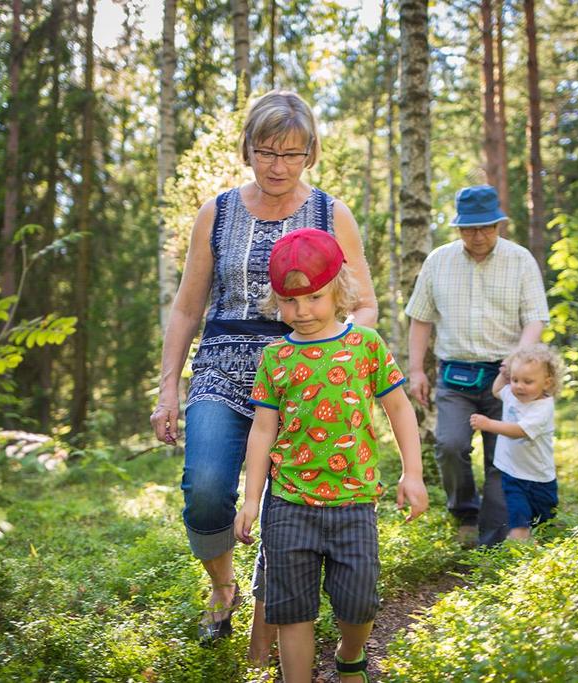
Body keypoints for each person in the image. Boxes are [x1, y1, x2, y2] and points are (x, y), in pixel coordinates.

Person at [149, 90, 377, 660]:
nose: (278, 165)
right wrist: (168, 388)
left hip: (303, 375)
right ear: (247, 148)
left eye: (292, 154)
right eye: (266, 151)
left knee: (287, 507)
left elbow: (365, 304)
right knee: (205, 491)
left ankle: (274, 611)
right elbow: (186, 307)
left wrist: (337, 354)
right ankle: (222, 584)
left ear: (311, 154)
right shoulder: (217, 212)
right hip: (222, 368)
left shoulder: (330, 213)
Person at [234, 229, 428, 683]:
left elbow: (398, 409)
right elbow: (263, 431)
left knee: (360, 601)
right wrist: (250, 499)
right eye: (288, 300)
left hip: (354, 500)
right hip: (289, 503)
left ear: (339, 289)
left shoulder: (365, 345)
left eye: (313, 297)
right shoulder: (275, 357)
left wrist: (412, 474)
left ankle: (350, 654)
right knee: (291, 609)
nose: (301, 311)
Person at [404, 184, 549, 548]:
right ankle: (465, 513)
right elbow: (420, 319)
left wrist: (518, 358)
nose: (478, 235)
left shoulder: (520, 260)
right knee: (450, 445)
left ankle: (493, 535)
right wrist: (417, 370)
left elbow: (535, 318)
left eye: (486, 227)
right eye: (469, 228)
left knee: (503, 454)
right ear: (458, 227)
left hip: (507, 376)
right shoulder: (438, 260)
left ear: (498, 225)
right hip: (455, 375)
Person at [469, 343, 564, 541]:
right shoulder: (513, 394)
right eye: (515, 379)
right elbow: (497, 391)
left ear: (547, 383)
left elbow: (519, 431)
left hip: (540, 479)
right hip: (513, 475)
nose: (519, 386)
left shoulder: (542, 409)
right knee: (518, 523)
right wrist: (503, 375)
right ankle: (517, 560)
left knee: (544, 524)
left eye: (527, 381)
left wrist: (488, 424)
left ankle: (545, 555)